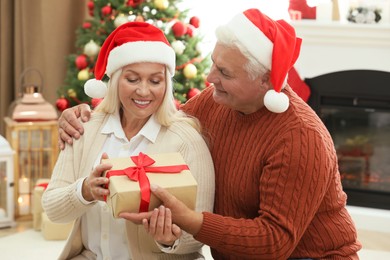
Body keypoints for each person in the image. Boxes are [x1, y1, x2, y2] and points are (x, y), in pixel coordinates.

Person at [57, 9, 362, 260]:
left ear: (266, 82)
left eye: (225, 73)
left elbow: (274, 242)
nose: (209, 77)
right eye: (215, 63)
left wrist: (189, 220)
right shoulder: (215, 102)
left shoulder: (300, 138)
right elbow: (159, 120)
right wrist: (87, 115)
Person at [42, 21, 215, 260]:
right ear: (114, 80)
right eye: (132, 79)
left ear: (166, 83)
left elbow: (201, 232)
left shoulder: (187, 141)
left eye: (155, 81)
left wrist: (169, 239)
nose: (144, 91)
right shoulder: (83, 128)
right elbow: (52, 209)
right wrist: (85, 191)